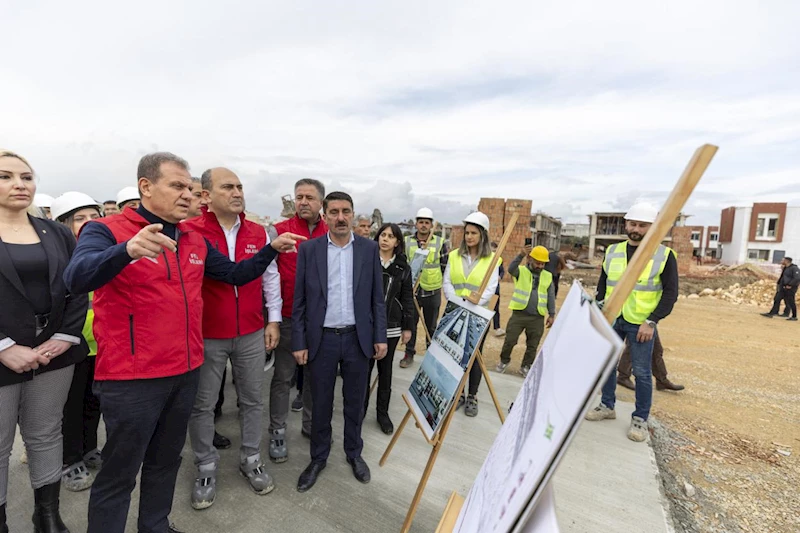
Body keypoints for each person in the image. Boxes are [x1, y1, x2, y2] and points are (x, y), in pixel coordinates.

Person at [63, 152, 304, 533]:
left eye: (189, 188)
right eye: (177, 186)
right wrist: (125, 251)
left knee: (166, 461)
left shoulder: (194, 237)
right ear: (146, 186)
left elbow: (236, 274)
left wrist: (271, 250)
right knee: (121, 473)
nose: (186, 194)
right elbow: (75, 278)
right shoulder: (108, 230)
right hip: (132, 378)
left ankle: (155, 524)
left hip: (185, 371)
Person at [0, 150, 89, 533]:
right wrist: (3, 346)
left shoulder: (55, 232)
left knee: (45, 432)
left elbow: (77, 285)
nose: (19, 184)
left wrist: (65, 337)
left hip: (53, 351)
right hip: (3, 355)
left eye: (26, 176)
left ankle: (47, 513)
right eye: (5, 176)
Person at [184, 168, 282, 510]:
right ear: (206, 196)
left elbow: (270, 277)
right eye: (228, 187)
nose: (237, 192)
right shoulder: (190, 231)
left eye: (240, 186)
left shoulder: (257, 231)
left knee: (254, 400)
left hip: (252, 331)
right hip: (207, 333)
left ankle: (251, 458)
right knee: (203, 404)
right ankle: (206, 466)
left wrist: (273, 320)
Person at [292, 191, 387, 492]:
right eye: (334, 212)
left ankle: (353, 453)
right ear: (325, 214)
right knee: (320, 403)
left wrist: (380, 336)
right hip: (322, 340)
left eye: (346, 211)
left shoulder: (369, 250)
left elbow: (377, 300)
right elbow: (300, 302)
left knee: (355, 403)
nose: (341, 218)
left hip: (357, 339)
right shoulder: (310, 250)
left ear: (353, 213)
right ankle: (318, 458)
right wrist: (299, 341)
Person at [585, 202, 678, 443]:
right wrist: (601, 305)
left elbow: (670, 293)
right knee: (606, 365)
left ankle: (640, 418)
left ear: (652, 227)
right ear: (626, 224)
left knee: (642, 373)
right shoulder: (613, 251)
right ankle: (607, 406)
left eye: (642, 225)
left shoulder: (664, 255)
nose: (636, 229)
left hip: (641, 323)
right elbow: (604, 282)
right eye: (633, 223)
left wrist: (652, 321)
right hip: (613, 318)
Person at [267, 179, 328, 464]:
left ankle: (311, 425)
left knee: (316, 378)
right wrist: (273, 320)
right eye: (299, 196)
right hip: (289, 318)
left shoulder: (333, 234)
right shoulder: (280, 232)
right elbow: (270, 279)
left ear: (321, 203)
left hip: (322, 322)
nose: (303, 201)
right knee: (282, 377)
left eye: (309, 197)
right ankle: (277, 429)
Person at [51, 193, 105, 494]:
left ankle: (88, 449)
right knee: (69, 406)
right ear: (63, 224)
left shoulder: (100, 253)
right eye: (80, 218)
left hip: (99, 344)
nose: (88, 224)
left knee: (93, 402)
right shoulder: (58, 257)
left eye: (93, 217)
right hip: (68, 346)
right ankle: (69, 461)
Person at [444, 211, 499, 417]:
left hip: (478, 314)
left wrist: (475, 302)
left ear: (482, 235)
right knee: (457, 355)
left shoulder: (492, 260)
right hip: (456, 311)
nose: (469, 237)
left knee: (475, 356)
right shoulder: (454, 256)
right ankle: (458, 394)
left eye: (473, 233)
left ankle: (472, 396)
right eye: (467, 232)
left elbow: (491, 287)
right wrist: (457, 301)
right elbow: (447, 282)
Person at [364, 223, 414, 434]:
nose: (385, 239)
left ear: (397, 242)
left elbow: (407, 298)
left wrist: (407, 327)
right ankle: (359, 411)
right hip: (366, 326)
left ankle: (382, 414)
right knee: (363, 373)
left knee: (385, 373)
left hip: (391, 328)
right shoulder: (366, 261)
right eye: (382, 235)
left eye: (390, 236)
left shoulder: (403, 268)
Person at [495, 245, 555, 377]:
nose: (540, 266)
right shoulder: (521, 271)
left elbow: (550, 296)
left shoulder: (548, 276)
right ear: (530, 259)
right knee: (510, 340)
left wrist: (551, 314)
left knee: (533, 345)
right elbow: (511, 269)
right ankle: (504, 361)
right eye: (538, 263)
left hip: (537, 317)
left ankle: (526, 366)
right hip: (519, 315)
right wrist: (520, 255)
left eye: (543, 263)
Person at [399, 207, 448, 368]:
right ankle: (409, 353)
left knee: (431, 326)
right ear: (416, 224)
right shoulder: (408, 241)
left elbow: (444, 266)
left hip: (432, 290)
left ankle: (430, 356)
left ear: (431, 224)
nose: (424, 225)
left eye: (427, 222)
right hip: (412, 291)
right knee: (410, 324)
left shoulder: (440, 242)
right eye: (421, 222)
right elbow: (403, 264)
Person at [617, 333, 684, 391]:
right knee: (635, 345)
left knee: (656, 349)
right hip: (639, 322)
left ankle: (661, 380)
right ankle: (623, 376)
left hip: (648, 322)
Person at [761, 257, 799, 321]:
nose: (781, 261)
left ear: (787, 261)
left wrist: (790, 285)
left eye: (783, 260)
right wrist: (779, 283)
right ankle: (772, 313)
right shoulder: (785, 268)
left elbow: (797, 278)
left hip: (790, 288)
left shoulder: (794, 268)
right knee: (777, 298)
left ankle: (794, 316)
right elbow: (783, 277)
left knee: (791, 302)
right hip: (783, 287)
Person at [490, 242, 505, 336]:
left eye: (495, 251)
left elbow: (502, 271)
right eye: (492, 251)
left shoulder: (499, 260)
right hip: (485, 288)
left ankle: (497, 328)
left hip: (495, 288)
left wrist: (500, 276)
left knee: (495, 308)